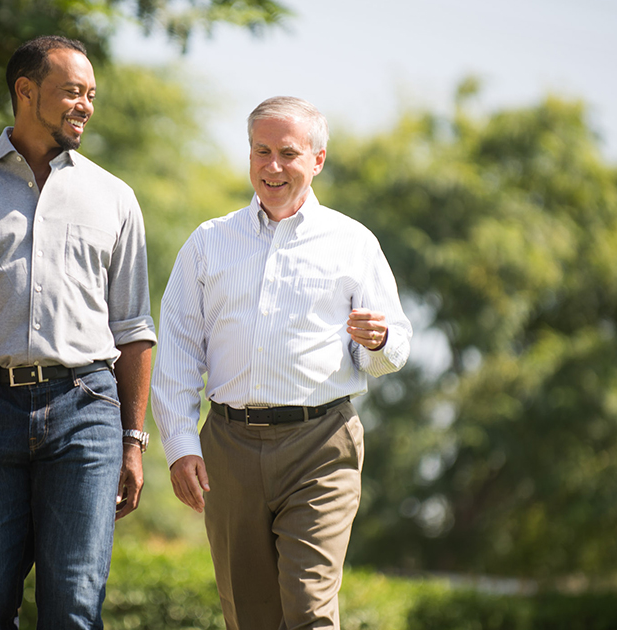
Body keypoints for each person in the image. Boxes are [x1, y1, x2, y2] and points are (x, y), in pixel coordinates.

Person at [0, 35, 156, 629]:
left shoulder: (114, 197)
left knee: (72, 608)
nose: (85, 106)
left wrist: (133, 439)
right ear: (26, 91)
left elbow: (134, 328)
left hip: (87, 408)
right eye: (72, 92)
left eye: (91, 95)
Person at [151, 96, 412, 630]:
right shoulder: (207, 243)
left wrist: (379, 338)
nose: (272, 167)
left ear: (317, 159)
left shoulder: (352, 242)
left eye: (287, 153)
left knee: (309, 607)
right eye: (260, 151)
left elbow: (393, 346)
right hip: (229, 444)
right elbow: (177, 351)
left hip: (322, 445)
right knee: (249, 617)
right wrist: (180, 445)